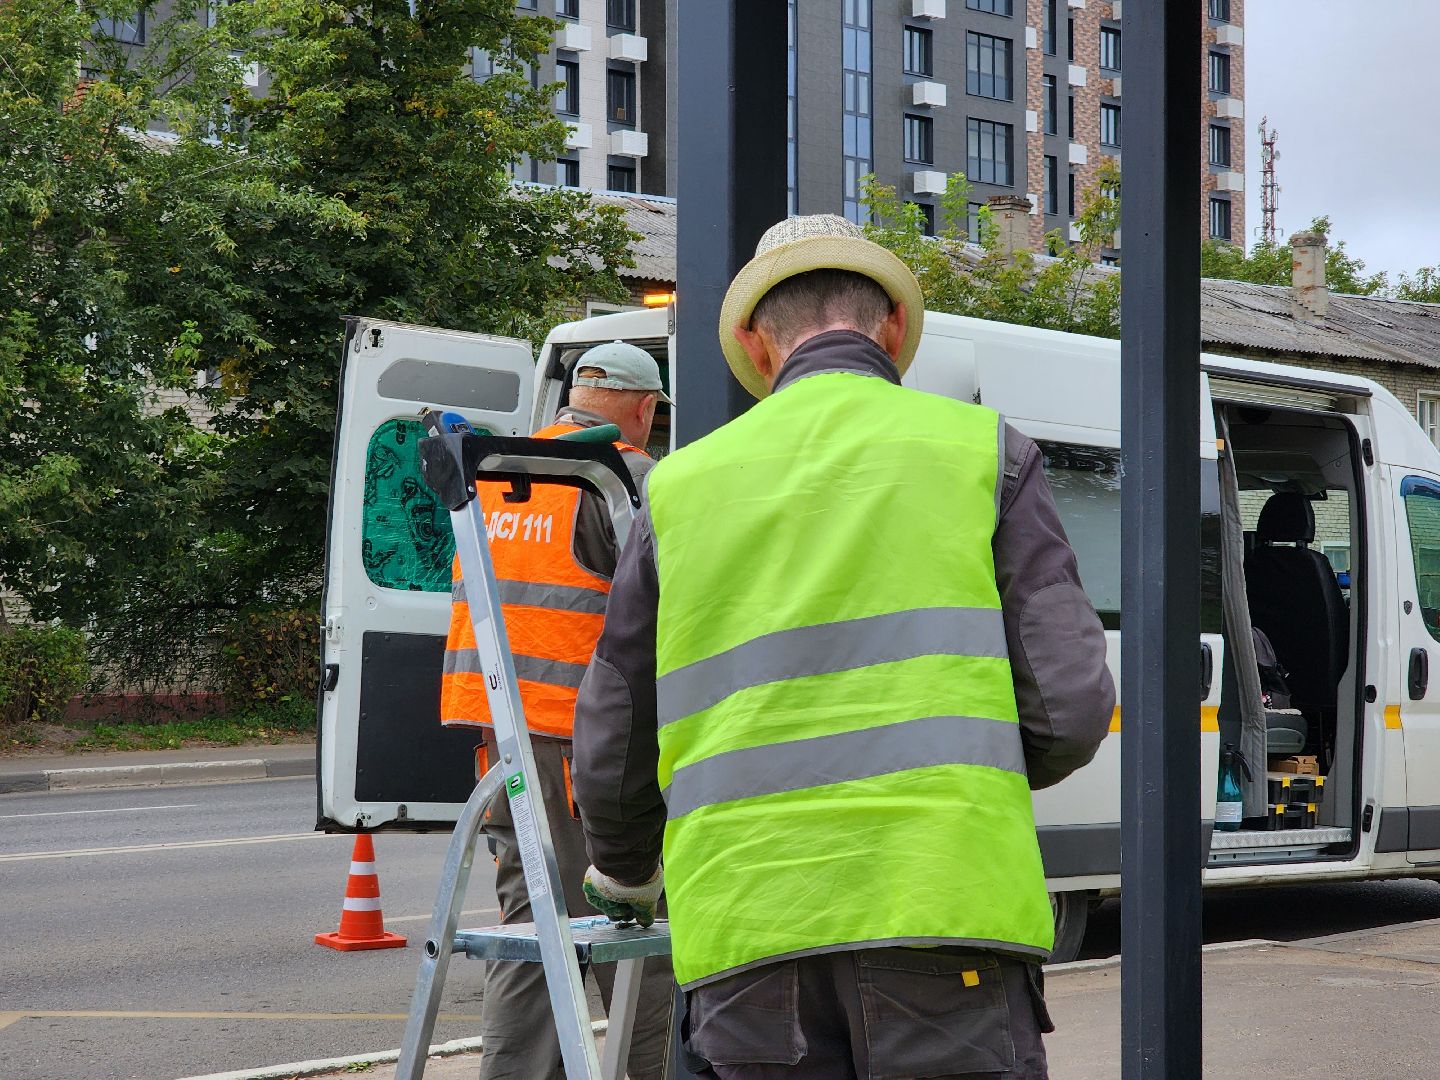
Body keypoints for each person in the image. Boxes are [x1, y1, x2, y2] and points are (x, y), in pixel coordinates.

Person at [572, 215, 1115, 1079]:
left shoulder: (676, 491)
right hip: (947, 909)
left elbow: (617, 721)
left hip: (748, 930)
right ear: (893, 327)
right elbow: (1073, 708)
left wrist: (629, 870)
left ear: (755, 343)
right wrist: (966, 779)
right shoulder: (984, 455)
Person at [439, 340, 675, 1080]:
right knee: (636, 928)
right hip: (591, 745)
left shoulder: (502, 470)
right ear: (644, 409)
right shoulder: (619, 478)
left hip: (502, 739)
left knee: (535, 923)